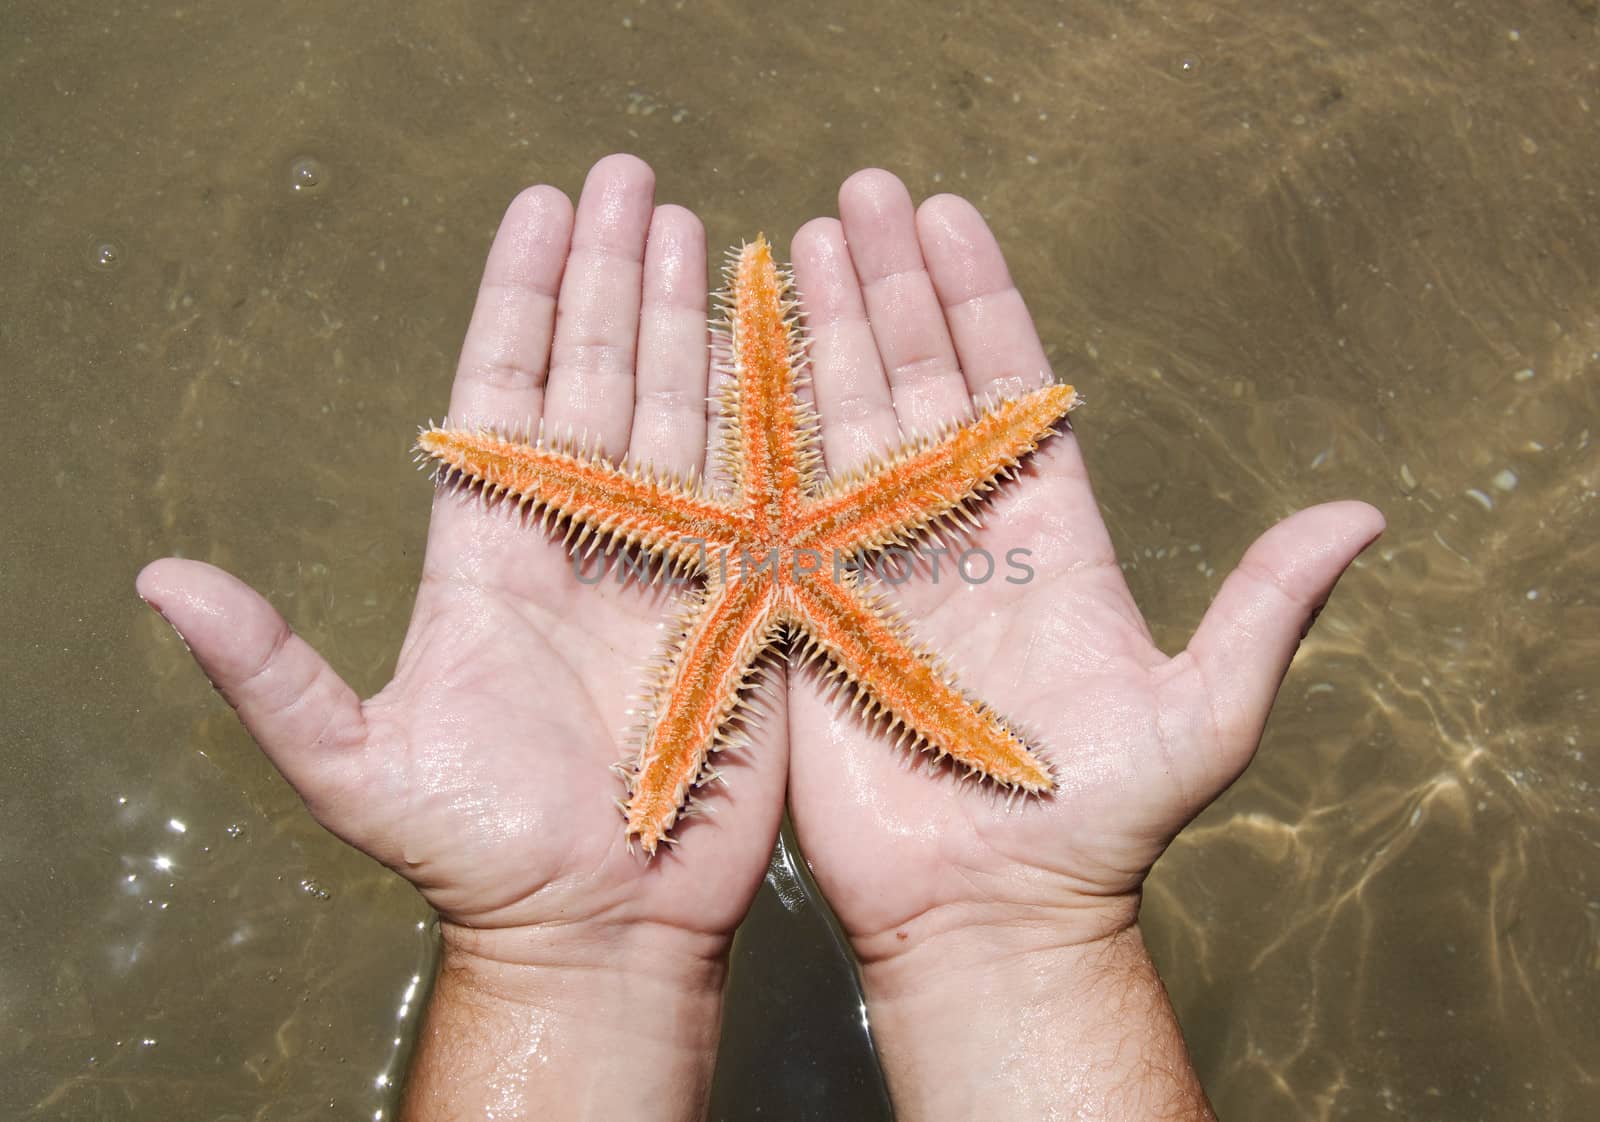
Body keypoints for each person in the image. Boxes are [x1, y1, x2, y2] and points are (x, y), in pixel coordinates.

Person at [136, 153, 1383, 1121]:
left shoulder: (792, 546)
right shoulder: (771, 541)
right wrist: (1026, 951)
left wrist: (560, 961)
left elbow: (955, 445)